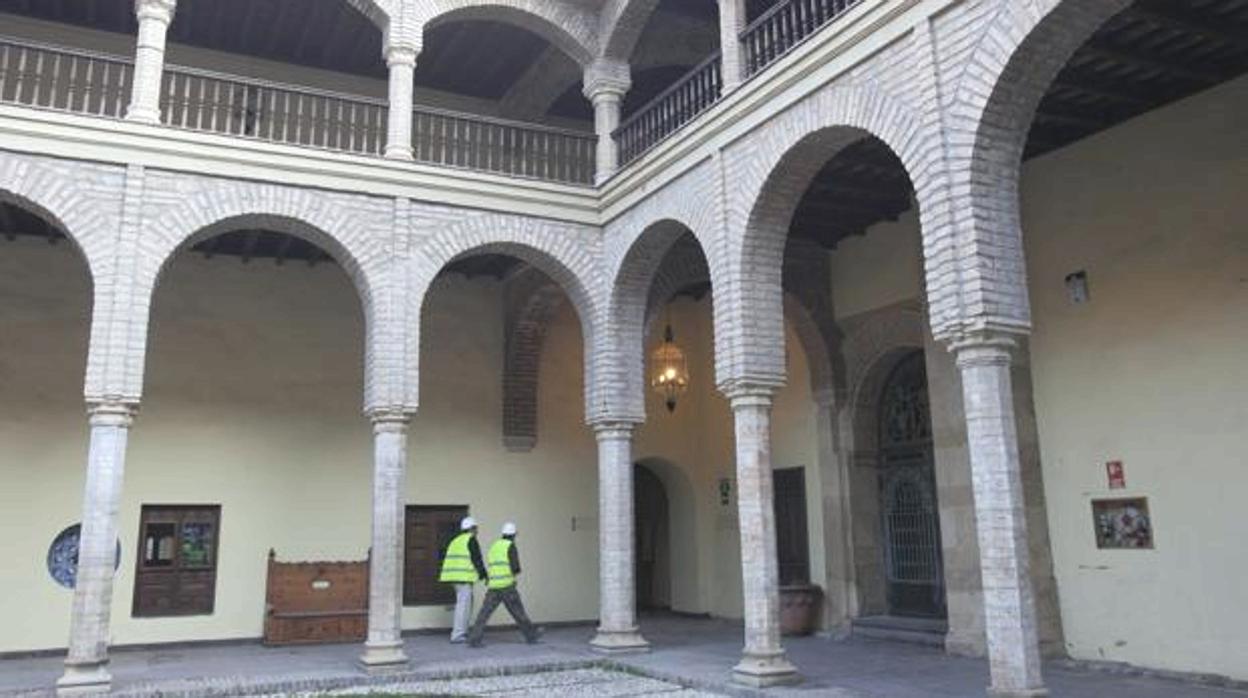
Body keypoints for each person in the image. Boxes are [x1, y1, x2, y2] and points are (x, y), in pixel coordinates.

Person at [466, 521, 540, 647]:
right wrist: (513, 577)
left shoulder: (494, 546)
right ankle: (531, 636)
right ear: (513, 535)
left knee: (484, 614)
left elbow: (492, 564)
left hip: (493, 586)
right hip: (507, 586)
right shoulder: (510, 546)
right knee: (518, 612)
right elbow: (515, 568)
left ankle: (474, 639)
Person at [439, 516, 487, 643]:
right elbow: (477, 559)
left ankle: (461, 632)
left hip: (455, 578)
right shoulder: (471, 540)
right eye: (476, 528)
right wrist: (484, 575)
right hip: (463, 579)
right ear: (472, 528)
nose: (477, 531)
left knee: (464, 605)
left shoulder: (455, 541)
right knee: (463, 606)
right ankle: (458, 635)